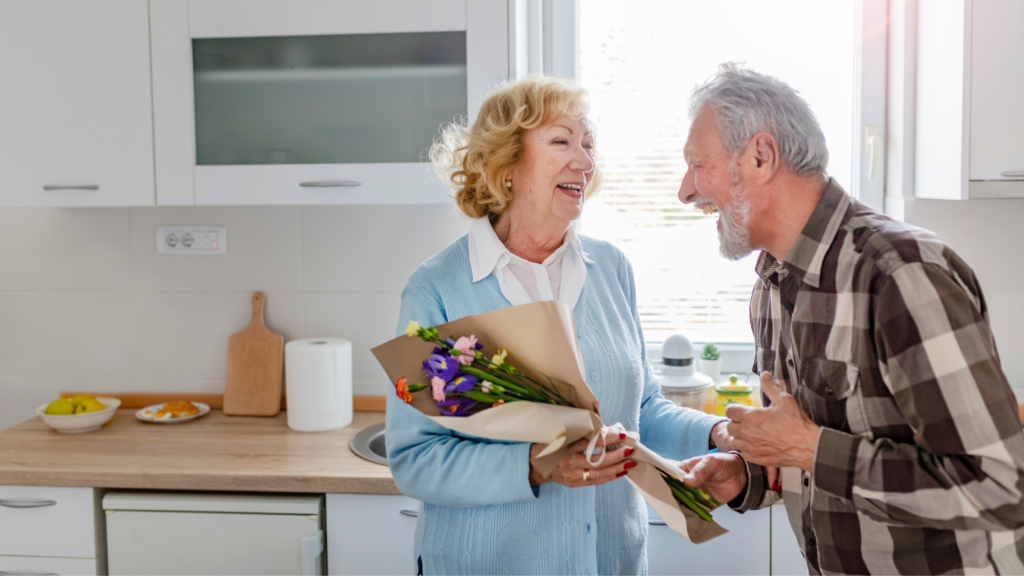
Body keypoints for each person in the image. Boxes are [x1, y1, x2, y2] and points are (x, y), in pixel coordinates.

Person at [676, 64, 1024, 575]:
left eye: (695, 164)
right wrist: (746, 477)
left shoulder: (901, 274)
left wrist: (810, 449)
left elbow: (999, 486)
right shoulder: (771, 286)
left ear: (760, 156)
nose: (684, 191)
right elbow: (810, 457)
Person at [385, 75, 730, 575]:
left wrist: (721, 432)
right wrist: (537, 465)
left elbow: (642, 411)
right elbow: (417, 457)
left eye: (588, 145)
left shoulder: (610, 269)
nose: (585, 161)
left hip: (610, 562)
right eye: (562, 141)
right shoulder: (440, 289)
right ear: (507, 165)